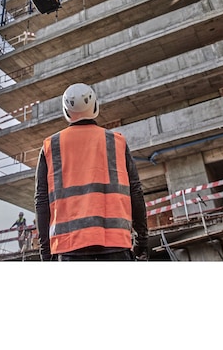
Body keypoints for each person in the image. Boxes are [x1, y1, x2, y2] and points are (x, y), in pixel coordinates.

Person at [34, 82, 148, 261]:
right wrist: (142, 238)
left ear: (66, 111)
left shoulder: (51, 146)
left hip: (69, 248)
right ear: (95, 105)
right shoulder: (116, 142)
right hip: (116, 245)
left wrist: (46, 252)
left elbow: (42, 202)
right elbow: (136, 191)